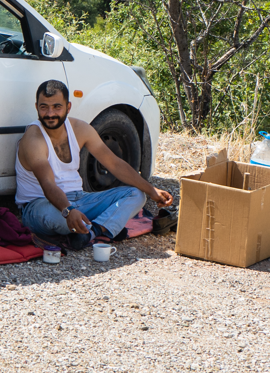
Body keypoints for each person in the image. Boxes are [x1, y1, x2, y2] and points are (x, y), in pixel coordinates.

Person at [15, 80, 172, 249]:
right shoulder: (34, 138)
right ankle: (106, 226)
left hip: (80, 199)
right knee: (59, 218)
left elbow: (114, 164)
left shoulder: (80, 129)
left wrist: (151, 190)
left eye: (57, 107)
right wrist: (68, 211)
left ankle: (92, 232)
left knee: (137, 195)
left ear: (68, 107)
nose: (50, 113)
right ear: (36, 106)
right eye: (44, 107)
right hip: (41, 206)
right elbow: (48, 184)